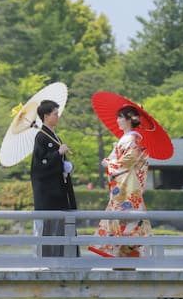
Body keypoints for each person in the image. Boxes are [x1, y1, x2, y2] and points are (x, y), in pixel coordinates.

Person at [90, 105, 152, 258]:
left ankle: (127, 252)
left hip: (128, 184)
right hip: (122, 183)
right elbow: (115, 158)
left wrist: (109, 164)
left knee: (126, 215)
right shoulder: (126, 139)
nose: (117, 120)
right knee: (120, 215)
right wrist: (109, 161)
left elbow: (127, 161)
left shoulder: (134, 139)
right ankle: (122, 253)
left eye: (120, 117)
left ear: (130, 119)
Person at [30, 99, 78, 257]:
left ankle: (66, 258)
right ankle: (47, 260)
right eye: (55, 114)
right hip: (48, 192)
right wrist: (58, 154)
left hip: (59, 190)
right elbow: (39, 167)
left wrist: (65, 165)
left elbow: (56, 161)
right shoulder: (41, 137)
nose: (58, 117)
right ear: (46, 116)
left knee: (62, 224)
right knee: (49, 225)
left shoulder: (53, 136)